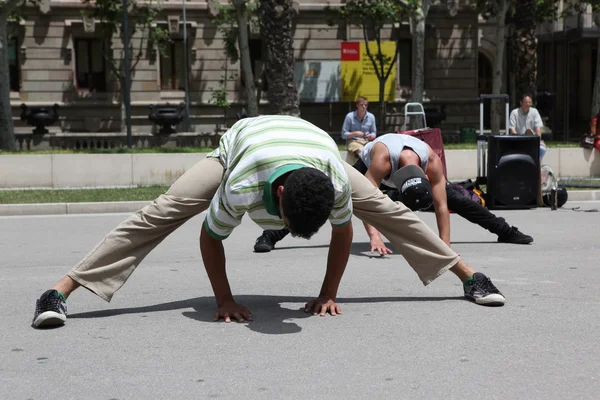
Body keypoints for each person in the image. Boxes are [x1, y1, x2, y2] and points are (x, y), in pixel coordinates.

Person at [33, 116, 504, 329]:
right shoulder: (240, 185)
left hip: (310, 149)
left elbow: (343, 232)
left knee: (389, 210)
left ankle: (469, 276)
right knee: (163, 210)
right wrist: (223, 299)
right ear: (277, 198)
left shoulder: (335, 180)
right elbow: (209, 235)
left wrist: (328, 293)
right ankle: (60, 289)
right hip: (243, 145)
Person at [254, 133, 533, 256]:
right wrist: (375, 236)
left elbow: (440, 204)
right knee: (332, 196)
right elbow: (367, 199)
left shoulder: (432, 163)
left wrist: (444, 245)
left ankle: (505, 230)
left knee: (459, 198)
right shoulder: (381, 161)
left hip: (408, 164)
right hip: (372, 163)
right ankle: (273, 232)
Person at [509, 93, 546, 160]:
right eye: (526, 102)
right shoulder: (514, 113)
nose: (528, 104)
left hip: (532, 141)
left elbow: (538, 130)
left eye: (530, 102)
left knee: (542, 149)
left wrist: (538, 141)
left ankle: (536, 165)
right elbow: (512, 130)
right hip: (518, 142)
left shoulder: (535, 112)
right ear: (521, 102)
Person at [342, 96, 377, 164]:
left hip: (367, 141)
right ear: (357, 105)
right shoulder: (349, 116)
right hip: (353, 141)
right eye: (361, 105)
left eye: (365, 105)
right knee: (361, 150)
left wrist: (371, 135)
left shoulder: (371, 117)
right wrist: (355, 133)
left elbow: (374, 133)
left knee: (376, 150)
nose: (364, 107)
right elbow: (343, 134)